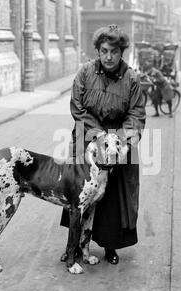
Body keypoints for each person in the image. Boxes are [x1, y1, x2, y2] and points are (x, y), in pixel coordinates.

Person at [60, 25, 146, 265]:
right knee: (79, 194)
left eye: (114, 52)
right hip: (86, 136)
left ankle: (110, 246)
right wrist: (96, 133)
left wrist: (124, 140)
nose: (109, 57)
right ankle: (74, 245)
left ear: (122, 53)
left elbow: (136, 113)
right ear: (98, 50)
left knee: (114, 197)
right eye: (104, 51)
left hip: (116, 141)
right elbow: (77, 106)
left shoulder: (132, 78)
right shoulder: (85, 72)